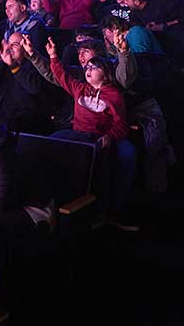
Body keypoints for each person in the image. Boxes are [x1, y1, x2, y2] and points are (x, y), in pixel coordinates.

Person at [44, 37, 137, 229]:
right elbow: (62, 76)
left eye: (93, 67)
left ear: (105, 73)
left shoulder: (114, 94)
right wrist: (53, 56)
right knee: (50, 143)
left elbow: (121, 125)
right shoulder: (81, 88)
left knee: (122, 156)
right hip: (79, 134)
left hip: (101, 136)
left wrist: (110, 137)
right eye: (87, 68)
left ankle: (111, 211)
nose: (88, 69)